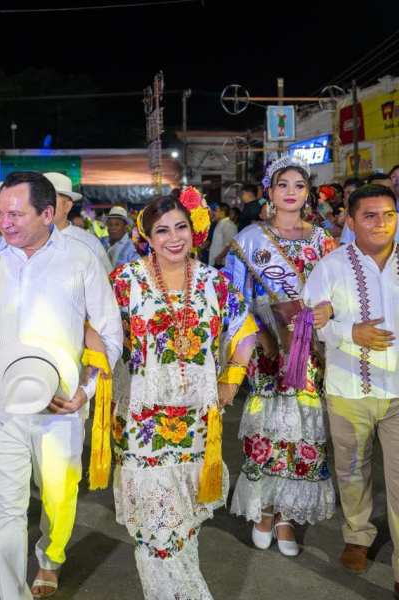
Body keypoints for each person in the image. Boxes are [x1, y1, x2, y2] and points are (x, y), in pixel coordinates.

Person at [0, 171, 123, 600]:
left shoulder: (81, 258)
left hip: (60, 408)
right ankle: (11, 593)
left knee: (58, 498)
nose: (5, 222)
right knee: (5, 511)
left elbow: (110, 335)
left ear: (48, 213)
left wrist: (84, 393)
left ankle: (51, 556)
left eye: (16, 214)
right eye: (0, 213)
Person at [111, 190, 257, 600]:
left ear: (194, 230)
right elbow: (99, 333)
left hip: (196, 422)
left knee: (184, 524)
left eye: (180, 227)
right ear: (148, 237)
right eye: (162, 230)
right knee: (157, 529)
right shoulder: (125, 282)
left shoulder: (215, 282)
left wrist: (230, 380)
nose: (173, 238)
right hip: (142, 423)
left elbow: (245, 333)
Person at [225, 155, 337, 556]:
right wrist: (260, 338)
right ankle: (264, 510)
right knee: (267, 429)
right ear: (269, 193)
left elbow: (336, 296)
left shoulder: (325, 241)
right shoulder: (249, 240)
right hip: (268, 349)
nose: (291, 192)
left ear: (308, 194)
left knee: (305, 431)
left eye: (299, 186)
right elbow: (233, 301)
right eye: (282, 185)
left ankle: (288, 513)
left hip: (310, 354)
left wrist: (320, 323)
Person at [303, 184, 399, 594]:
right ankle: (358, 535)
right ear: (350, 219)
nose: (382, 223)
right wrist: (349, 332)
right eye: (371, 216)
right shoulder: (331, 265)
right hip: (348, 386)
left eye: (390, 215)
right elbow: (310, 321)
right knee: (352, 468)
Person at [45, 171, 113, 274]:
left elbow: (108, 283)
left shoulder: (89, 243)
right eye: (39, 199)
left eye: (51, 199)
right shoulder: (26, 240)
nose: (43, 205)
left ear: (67, 206)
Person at [208, 203, 238, 267]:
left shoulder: (228, 224)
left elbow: (231, 244)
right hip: (216, 263)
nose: (213, 213)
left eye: (215, 211)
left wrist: (219, 257)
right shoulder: (220, 223)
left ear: (222, 212)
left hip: (222, 264)